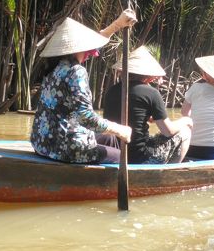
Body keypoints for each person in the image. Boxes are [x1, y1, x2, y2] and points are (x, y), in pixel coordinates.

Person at [30, 11, 136, 164]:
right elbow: (86, 118)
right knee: (120, 157)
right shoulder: (76, 71)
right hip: (65, 149)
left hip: (42, 143)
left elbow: (99, 38)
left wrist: (118, 24)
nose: (91, 51)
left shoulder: (53, 67)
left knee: (110, 137)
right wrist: (120, 129)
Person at [99, 46, 193, 164]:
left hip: (117, 152)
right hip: (141, 157)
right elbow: (168, 131)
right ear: (149, 76)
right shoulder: (152, 93)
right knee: (185, 131)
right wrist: (186, 120)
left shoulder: (112, 90)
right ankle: (169, 171)